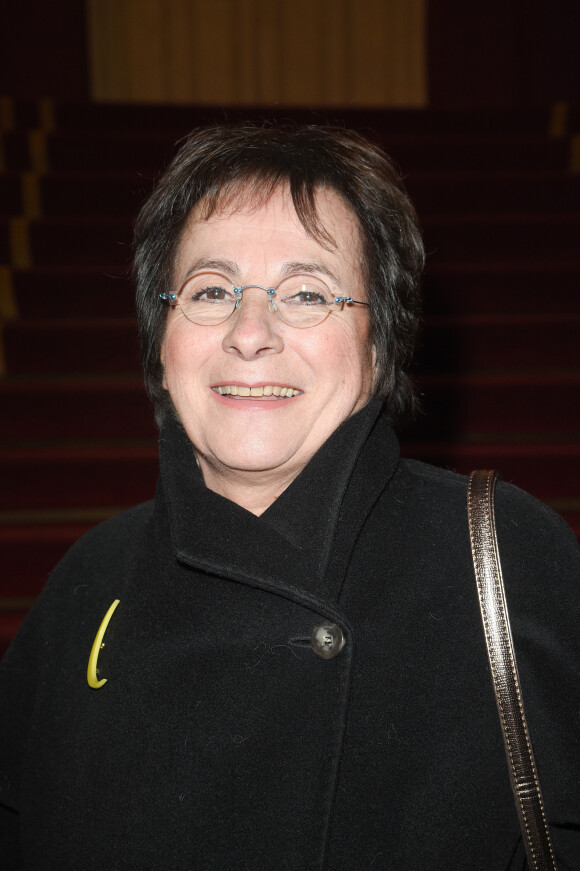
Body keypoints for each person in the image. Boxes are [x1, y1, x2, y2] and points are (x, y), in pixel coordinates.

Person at [0, 124, 578, 870]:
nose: (250, 332)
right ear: (161, 339)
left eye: (307, 292)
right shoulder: (87, 582)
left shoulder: (508, 554)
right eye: (211, 290)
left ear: (380, 344)